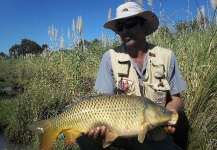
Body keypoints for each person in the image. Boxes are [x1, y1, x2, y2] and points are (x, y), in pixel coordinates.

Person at [77, 2, 186, 150]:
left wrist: (171, 112)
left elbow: (176, 98)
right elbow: (104, 102)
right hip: (121, 133)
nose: (125, 30)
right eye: (120, 27)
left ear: (144, 25)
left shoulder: (167, 56)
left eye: (130, 24)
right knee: (84, 137)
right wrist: (99, 125)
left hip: (155, 133)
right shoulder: (109, 58)